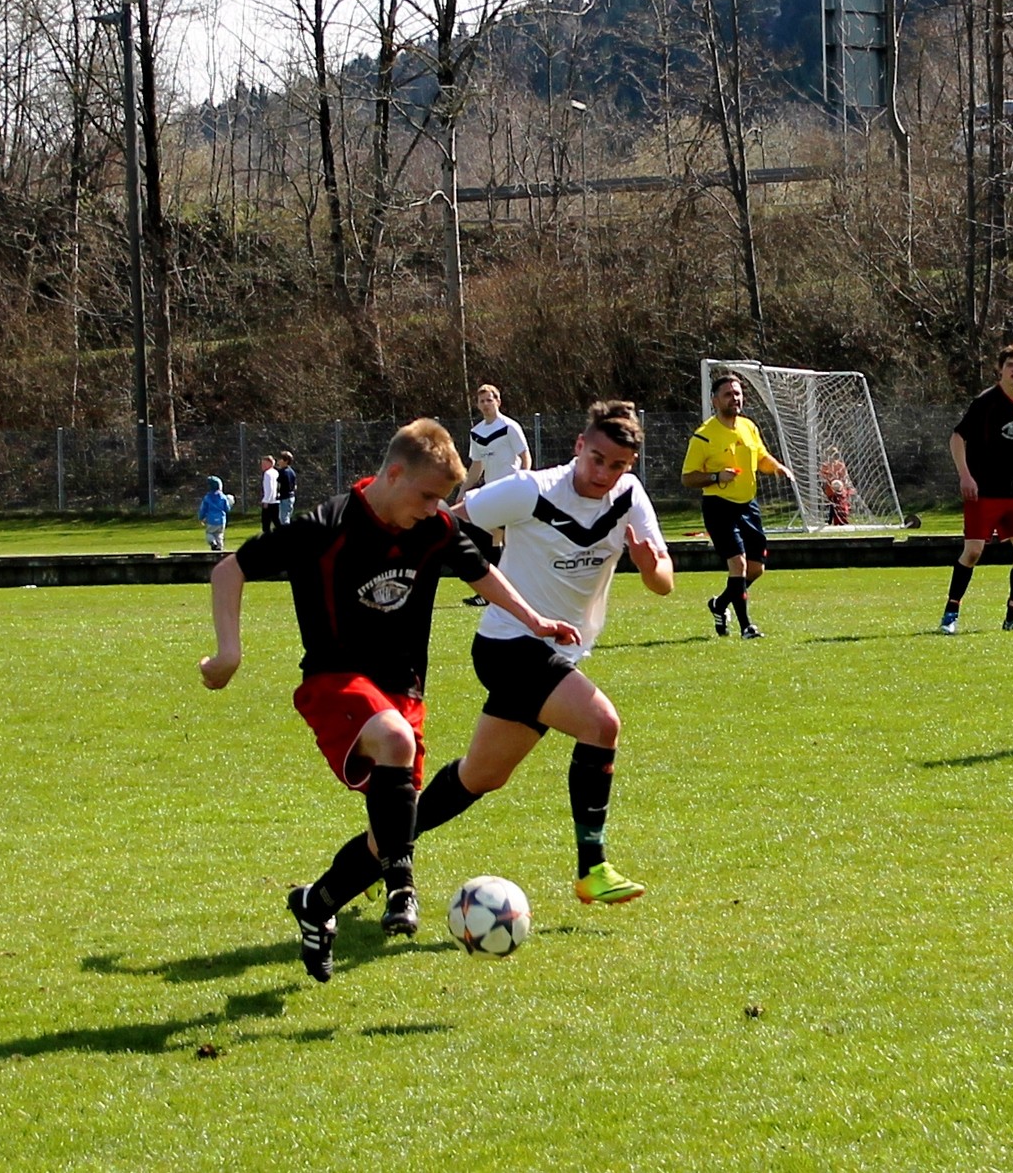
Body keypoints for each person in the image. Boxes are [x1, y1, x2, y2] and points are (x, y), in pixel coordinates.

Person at [199, 420, 579, 982]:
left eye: (442, 500)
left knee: (387, 831)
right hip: (335, 680)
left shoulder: (435, 526)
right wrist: (228, 653)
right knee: (395, 752)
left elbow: (483, 573)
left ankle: (317, 903)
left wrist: (536, 620)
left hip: (403, 690)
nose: (434, 509)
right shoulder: (326, 524)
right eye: (427, 496)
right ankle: (403, 886)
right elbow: (229, 570)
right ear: (393, 473)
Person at [291, 402, 675, 932]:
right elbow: (451, 519)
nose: (603, 473)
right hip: (509, 643)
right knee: (601, 723)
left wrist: (652, 564)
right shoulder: (528, 490)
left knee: (479, 778)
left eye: (617, 465)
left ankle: (351, 874)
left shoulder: (630, 498)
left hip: (560, 651)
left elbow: (664, 581)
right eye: (597, 458)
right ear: (578, 447)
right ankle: (593, 868)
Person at [939, 342, 1013, 634]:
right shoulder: (985, 402)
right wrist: (965, 476)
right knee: (973, 551)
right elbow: (957, 438)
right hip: (983, 491)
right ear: (1000, 369)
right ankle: (950, 614)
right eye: (1010, 364)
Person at [681, 371, 796, 638]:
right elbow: (687, 477)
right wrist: (715, 477)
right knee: (739, 566)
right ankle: (747, 627)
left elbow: (762, 456)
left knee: (756, 569)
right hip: (719, 507)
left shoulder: (749, 426)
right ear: (715, 401)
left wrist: (777, 468)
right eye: (728, 394)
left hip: (748, 505)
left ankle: (719, 604)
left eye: (737, 394)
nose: (734, 398)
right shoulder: (704, 436)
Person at [460, 384, 532, 606]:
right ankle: (495, 592)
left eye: (489, 400)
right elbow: (477, 466)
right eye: (482, 401)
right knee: (494, 540)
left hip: (510, 491)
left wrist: (523, 481)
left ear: (498, 402)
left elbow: (525, 456)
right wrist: (463, 489)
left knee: (506, 539)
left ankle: (504, 591)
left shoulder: (509, 427)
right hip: (492, 493)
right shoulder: (477, 432)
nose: (485, 405)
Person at [819, 445, 855, 526]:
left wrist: (842, 485)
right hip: (830, 489)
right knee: (831, 504)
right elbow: (822, 478)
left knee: (841, 504)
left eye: (835, 454)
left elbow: (844, 477)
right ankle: (829, 520)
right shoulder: (825, 466)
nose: (834, 456)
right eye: (832, 454)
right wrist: (830, 482)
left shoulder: (840, 465)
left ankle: (843, 520)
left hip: (840, 489)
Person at [199, 475, 235, 551]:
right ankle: (219, 547)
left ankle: (213, 543)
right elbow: (227, 508)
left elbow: (203, 509)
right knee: (219, 535)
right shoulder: (223, 497)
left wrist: (201, 517)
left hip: (211, 520)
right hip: (221, 520)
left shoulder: (207, 497)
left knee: (209, 533)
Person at [257, 455, 280, 535]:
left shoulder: (267, 474)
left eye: (264, 464)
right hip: (276, 501)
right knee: (276, 521)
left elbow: (269, 488)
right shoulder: (275, 472)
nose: (262, 466)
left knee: (266, 523)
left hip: (269, 502)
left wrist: (266, 501)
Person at [276, 451, 298, 526]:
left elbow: (279, 485)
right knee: (285, 517)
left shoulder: (283, 472)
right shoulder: (292, 472)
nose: (278, 461)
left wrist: (278, 492)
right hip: (291, 497)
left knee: (284, 519)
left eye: (280, 459)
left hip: (285, 498)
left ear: (286, 461)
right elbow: (295, 486)